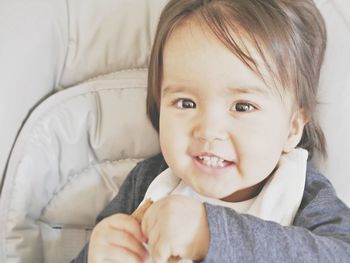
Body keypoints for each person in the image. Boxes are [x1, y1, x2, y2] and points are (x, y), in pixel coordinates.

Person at [73, 0, 350, 262]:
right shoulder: (148, 183)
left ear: (292, 127)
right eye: (186, 103)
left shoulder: (302, 195)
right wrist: (95, 254)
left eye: (242, 107)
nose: (208, 131)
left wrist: (209, 233)